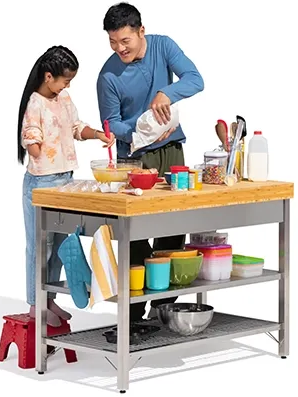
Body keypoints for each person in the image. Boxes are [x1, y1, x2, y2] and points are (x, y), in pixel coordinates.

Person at [96, 2, 204, 320]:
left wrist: (166, 93)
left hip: (172, 152)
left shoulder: (163, 45)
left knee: (173, 226)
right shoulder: (107, 76)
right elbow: (110, 124)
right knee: (136, 232)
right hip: (134, 159)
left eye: (125, 41)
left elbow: (195, 79)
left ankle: (164, 308)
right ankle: (133, 310)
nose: (119, 48)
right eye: (113, 42)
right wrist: (141, 132)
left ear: (141, 31)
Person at [18, 45, 116, 327]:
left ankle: (50, 300)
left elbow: (75, 127)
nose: (67, 85)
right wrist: (35, 145)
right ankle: (36, 304)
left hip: (65, 180)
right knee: (39, 247)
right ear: (48, 76)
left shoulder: (64, 98)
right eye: (64, 80)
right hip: (41, 183)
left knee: (62, 243)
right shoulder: (35, 102)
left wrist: (97, 133)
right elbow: (32, 139)